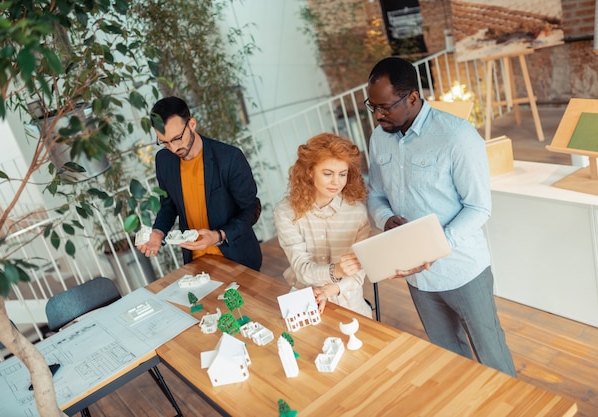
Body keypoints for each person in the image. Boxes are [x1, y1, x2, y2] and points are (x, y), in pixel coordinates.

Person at [364, 57, 516, 376]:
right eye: (372, 106)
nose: (378, 115)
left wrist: (437, 246)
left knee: (491, 354)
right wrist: (385, 218)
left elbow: (478, 207)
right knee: (447, 355)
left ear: (413, 98)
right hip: (416, 275)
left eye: (385, 106)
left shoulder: (457, 136)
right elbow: (375, 193)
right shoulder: (379, 137)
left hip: (463, 269)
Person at [137, 96, 262, 271]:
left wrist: (218, 235)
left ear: (192, 124)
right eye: (164, 142)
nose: (173, 148)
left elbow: (251, 209)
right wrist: (158, 232)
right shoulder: (163, 161)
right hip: (196, 263)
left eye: (177, 138)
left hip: (237, 259)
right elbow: (169, 206)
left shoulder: (229, 158)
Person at [273, 133, 372, 318]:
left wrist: (331, 289)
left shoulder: (357, 212)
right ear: (310, 171)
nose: (336, 182)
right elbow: (301, 269)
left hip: (349, 303)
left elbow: (360, 271)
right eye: (328, 173)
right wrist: (337, 271)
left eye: (342, 174)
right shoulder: (285, 212)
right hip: (303, 301)